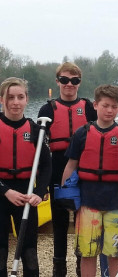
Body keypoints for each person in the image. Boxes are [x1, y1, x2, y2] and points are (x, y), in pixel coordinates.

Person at [61, 85, 118, 277]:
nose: (109, 110)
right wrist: (65, 194)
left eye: (114, 106)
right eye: (105, 105)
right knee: (88, 254)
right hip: (88, 202)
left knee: (114, 254)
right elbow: (71, 166)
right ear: (96, 105)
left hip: (116, 202)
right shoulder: (82, 133)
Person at [37, 61, 97, 277]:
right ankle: (59, 268)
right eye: (64, 80)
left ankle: (83, 266)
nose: (69, 84)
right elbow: (39, 150)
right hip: (57, 167)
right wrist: (40, 182)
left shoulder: (89, 107)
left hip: (84, 169)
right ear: (57, 81)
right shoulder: (47, 110)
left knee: (83, 221)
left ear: (79, 83)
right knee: (60, 221)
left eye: (74, 80)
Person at [0, 77, 52, 276]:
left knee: (29, 250)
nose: (15, 102)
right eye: (10, 97)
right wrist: (5, 191)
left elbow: (46, 166)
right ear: (2, 99)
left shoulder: (36, 131)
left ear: (26, 99)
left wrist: (40, 192)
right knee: (1, 250)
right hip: (1, 191)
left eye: (20, 97)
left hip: (27, 192)